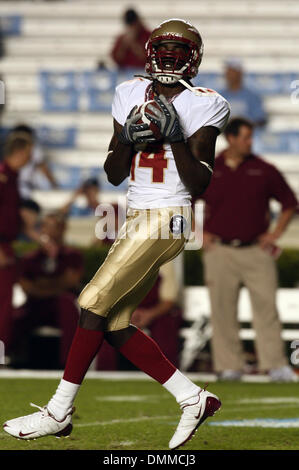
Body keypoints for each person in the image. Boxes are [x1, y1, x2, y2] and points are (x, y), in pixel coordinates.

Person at [3, 19, 230, 450]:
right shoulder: (128, 92)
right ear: (150, 51)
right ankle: (193, 397)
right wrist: (127, 135)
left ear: (194, 59)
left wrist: (175, 135)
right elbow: (112, 173)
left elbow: (200, 182)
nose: (170, 58)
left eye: (180, 51)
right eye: (165, 48)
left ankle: (59, 411)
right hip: (135, 214)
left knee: (90, 301)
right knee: (112, 322)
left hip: (171, 216)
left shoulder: (206, 103)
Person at [201, 117, 298, 382]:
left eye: (251, 137)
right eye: (245, 137)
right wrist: (198, 233)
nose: (250, 142)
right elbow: (185, 200)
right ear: (231, 138)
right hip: (219, 249)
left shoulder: (264, 169)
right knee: (221, 310)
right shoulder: (210, 168)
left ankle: (275, 364)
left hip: (257, 249)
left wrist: (276, 234)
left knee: (267, 307)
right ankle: (229, 366)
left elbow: (290, 203)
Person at [10, 213, 83, 367]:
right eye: (45, 227)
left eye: (53, 227)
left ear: (63, 229)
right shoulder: (30, 258)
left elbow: (71, 281)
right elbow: (26, 287)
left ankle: (70, 363)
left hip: (59, 308)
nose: (48, 231)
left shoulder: (73, 255)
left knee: (66, 304)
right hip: (36, 306)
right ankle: (13, 360)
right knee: (13, 317)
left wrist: (42, 284)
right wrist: (57, 284)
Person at [97, 260, 182, 370]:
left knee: (165, 329)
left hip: (154, 313)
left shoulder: (164, 260)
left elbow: (168, 300)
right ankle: (107, 374)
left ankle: (167, 374)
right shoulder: (118, 258)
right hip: (122, 313)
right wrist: (127, 313)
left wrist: (149, 315)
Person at [11, 124, 58, 198]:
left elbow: (43, 167)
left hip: (26, 187)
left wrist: (54, 184)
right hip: (11, 184)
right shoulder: (7, 148)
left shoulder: (35, 149)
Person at [219, 58, 267, 127]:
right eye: (228, 71)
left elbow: (260, 119)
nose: (228, 74)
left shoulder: (252, 97)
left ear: (239, 73)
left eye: (232, 71)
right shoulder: (220, 96)